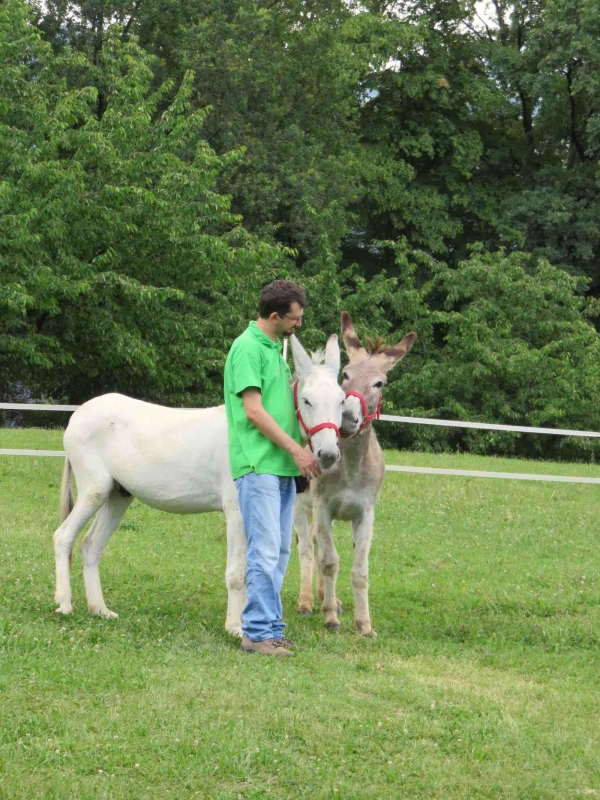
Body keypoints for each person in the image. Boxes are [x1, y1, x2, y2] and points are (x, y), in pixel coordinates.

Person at [224, 280, 321, 656]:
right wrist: (298, 451)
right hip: (258, 464)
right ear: (276, 315)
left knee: (280, 551)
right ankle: (257, 633)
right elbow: (253, 411)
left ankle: (271, 628)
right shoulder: (248, 348)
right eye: (295, 319)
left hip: (280, 468)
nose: (298, 325)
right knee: (264, 552)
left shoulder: (273, 350)